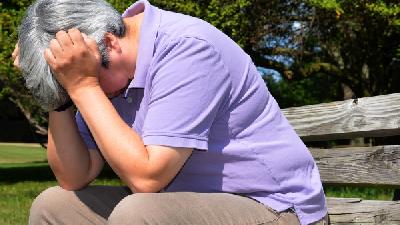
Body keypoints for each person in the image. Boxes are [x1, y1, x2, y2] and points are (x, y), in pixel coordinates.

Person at [13, 0, 328, 224]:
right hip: (180, 203)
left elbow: (146, 178)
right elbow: (74, 176)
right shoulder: (98, 72)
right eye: (68, 84)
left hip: (273, 206)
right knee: (53, 206)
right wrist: (58, 97)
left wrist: (84, 86)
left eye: (78, 78)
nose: (78, 89)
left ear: (109, 42)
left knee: (138, 213)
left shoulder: (188, 48)